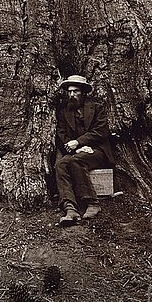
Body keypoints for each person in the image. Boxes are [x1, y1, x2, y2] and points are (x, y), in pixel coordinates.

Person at [54, 75, 114, 226]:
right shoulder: (64, 112)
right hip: (77, 151)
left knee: (76, 161)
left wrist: (80, 142)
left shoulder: (97, 108)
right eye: (69, 92)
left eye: (76, 91)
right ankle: (70, 208)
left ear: (83, 92)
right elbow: (61, 134)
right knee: (61, 165)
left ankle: (93, 203)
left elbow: (101, 131)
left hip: (97, 151)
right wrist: (77, 147)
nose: (72, 95)